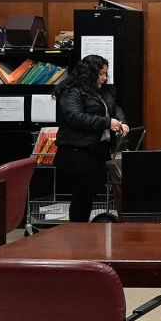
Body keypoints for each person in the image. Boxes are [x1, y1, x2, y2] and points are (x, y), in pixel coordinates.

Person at [54, 54, 128, 223]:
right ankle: (77, 233)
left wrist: (122, 122)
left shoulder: (102, 91)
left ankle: (82, 234)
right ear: (90, 73)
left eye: (105, 74)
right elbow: (75, 117)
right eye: (101, 74)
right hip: (77, 153)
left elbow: (115, 108)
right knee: (82, 196)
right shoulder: (72, 92)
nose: (104, 78)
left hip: (97, 151)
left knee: (88, 195)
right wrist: (107, 122)